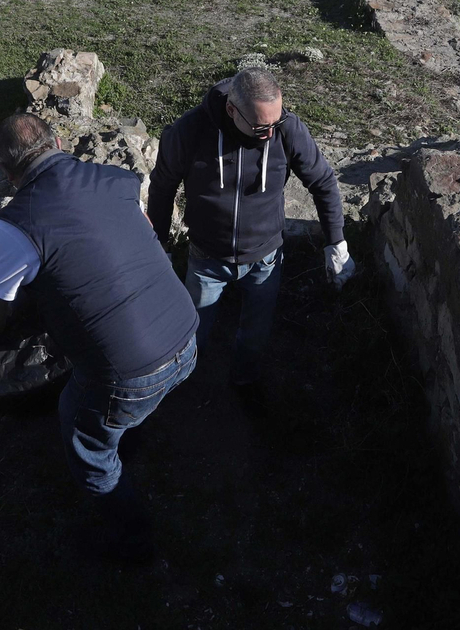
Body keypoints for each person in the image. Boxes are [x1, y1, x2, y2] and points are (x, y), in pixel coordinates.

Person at [0, 113, 198, 560]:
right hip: (186, 335)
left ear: (6, 171)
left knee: (82, 433)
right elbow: (144, 236)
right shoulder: (116, 179)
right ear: (58, 141)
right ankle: (131, 434)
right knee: (126, 405)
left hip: (131, 373)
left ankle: (132, 542)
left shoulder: (15, 227)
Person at [148, 68, 353, 410]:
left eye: (275, 122)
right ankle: (179, 392)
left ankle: (245, 383)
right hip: (206, 258)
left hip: (265, 259)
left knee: (255, 334)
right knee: (190, 333)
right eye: (261, 127)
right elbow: (163, 187)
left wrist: (337, 242)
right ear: (232, 110)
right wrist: (160, 245)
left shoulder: (286, 129)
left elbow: (323, 182)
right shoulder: (189, 131)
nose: (269, 133)